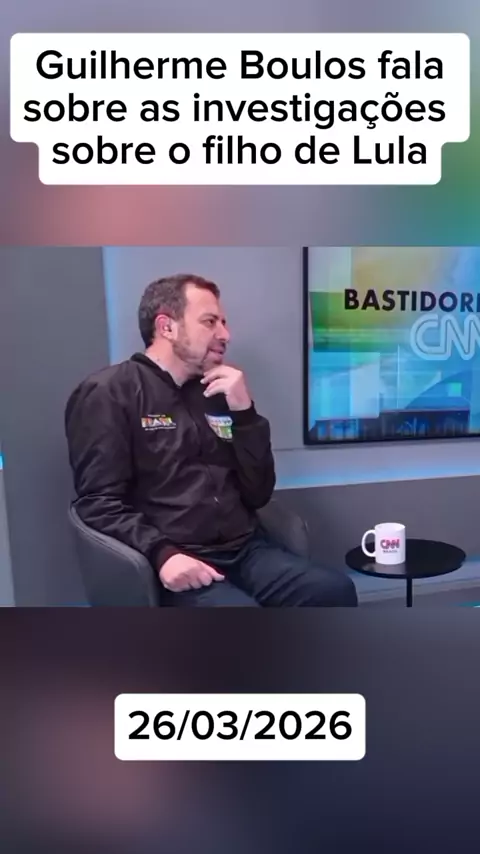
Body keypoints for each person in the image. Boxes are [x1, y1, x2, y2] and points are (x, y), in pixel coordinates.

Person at [65, 273, 357, 607]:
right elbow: (98, 502)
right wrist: (162, 553)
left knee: (333, 590)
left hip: (245, 551)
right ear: (166, 327)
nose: (225, 335)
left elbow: (258, 492)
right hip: (176, 559)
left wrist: (245, 413)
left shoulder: (215, 392)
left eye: (224, 323)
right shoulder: (109, 392)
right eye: (210, 322)